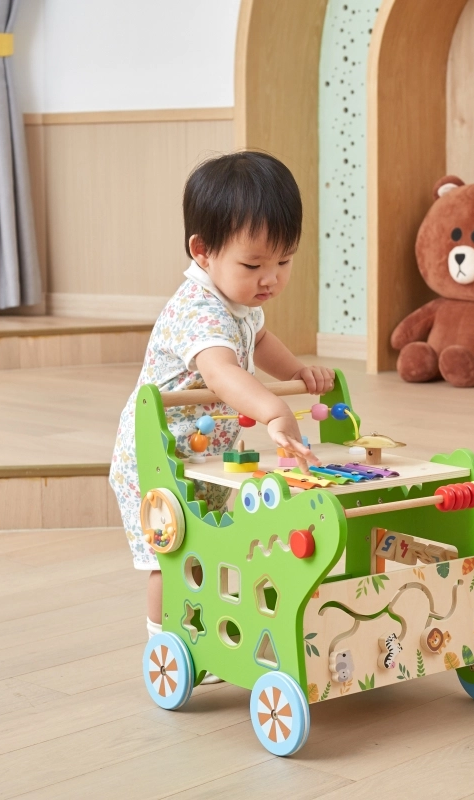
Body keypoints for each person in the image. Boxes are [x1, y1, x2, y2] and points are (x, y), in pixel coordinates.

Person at [109, 151, 335, 674]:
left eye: (284, 261)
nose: (270, 278)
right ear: (203, 251)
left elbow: (260, 339)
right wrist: (274, 409)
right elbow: (221, 372)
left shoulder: (240, 301)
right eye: (254, 265)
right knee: (172, 554)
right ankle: (167, 647)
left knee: (213, 546)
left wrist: (298, 372)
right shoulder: (197, 309)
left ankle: (210, 634)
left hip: (205, 459)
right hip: (156, 461)